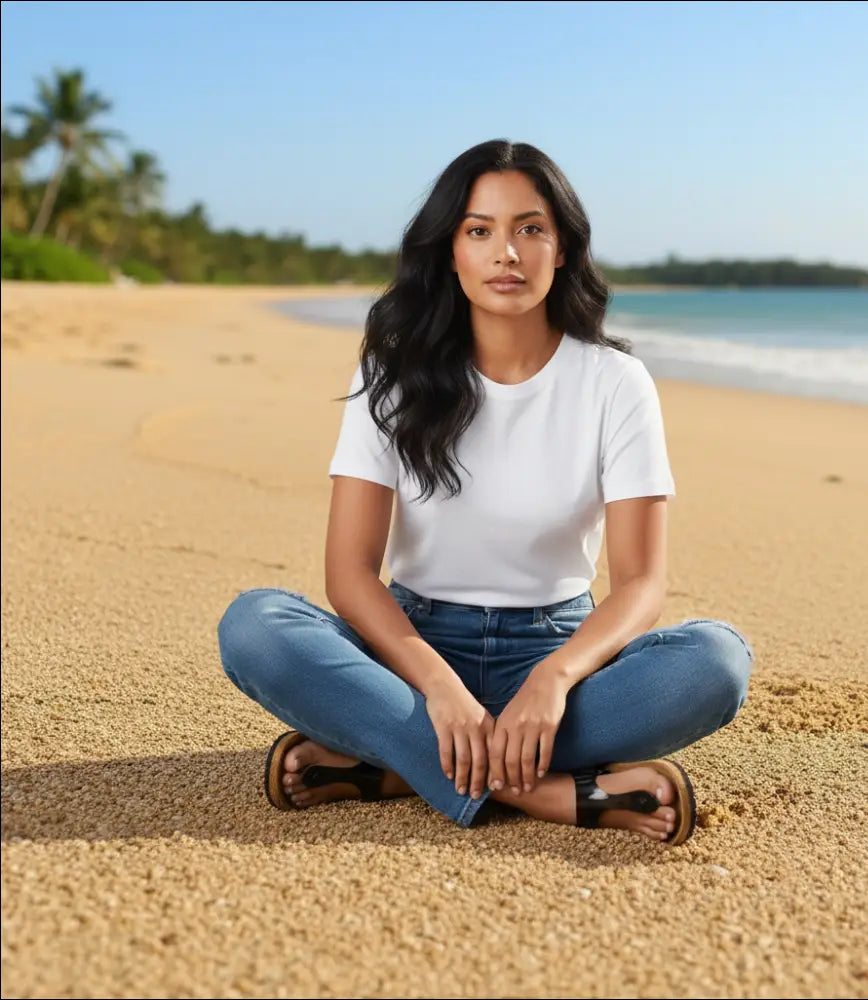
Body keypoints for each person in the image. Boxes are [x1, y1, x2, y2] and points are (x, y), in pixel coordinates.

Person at [217, 139, 754, 845]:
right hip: (411, 651)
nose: (507, 252)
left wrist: (553, 681)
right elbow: (349, 577)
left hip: (559, 650)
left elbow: (641, 584)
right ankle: (540, 791)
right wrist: (439, 689)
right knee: (255, 627)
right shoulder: (394, 377)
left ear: (561, 249)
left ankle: (399, 767)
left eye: (530, 229)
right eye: (480, 231)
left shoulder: (615, 384)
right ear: (451, 252)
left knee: (716, 662)